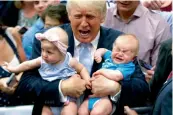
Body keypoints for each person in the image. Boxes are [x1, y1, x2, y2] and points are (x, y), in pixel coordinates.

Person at [12, 0, 149, 115]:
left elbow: (142, 89)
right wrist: (61, 88)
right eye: (78, 16)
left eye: (90, 16)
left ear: (102, 17)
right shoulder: (49, 38)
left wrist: (116, 88)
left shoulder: (118, 41)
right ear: (69, 15)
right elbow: (25, 86)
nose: (84, 23)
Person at [4, 27, 91, 115]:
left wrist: (87, 80)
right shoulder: (42, 61)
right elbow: (27, 65)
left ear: (62, 51)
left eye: (49, 52)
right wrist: (14, 69)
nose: (44, 55)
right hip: (49, 99)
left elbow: (82, 69)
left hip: (68, 99)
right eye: (42, 50)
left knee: (70, 112)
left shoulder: (69, 61)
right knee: (44, 112)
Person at [78, 34, 139, 115]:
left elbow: (117, 75)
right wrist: (98, 54)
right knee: (81, 111)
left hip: (106, 99)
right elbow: (103, 50)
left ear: (133, 58)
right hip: (92, 96)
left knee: (97, 113)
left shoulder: (128, 66)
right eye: (117, 49)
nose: (120, 53)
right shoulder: (110, 56)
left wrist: (102, 71)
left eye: (125, 52)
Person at [103, 0, 171, 67]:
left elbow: (159, 68)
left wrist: (153, 73)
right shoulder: (101, 17)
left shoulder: (158, 24)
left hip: (141, 76)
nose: (124, 0)